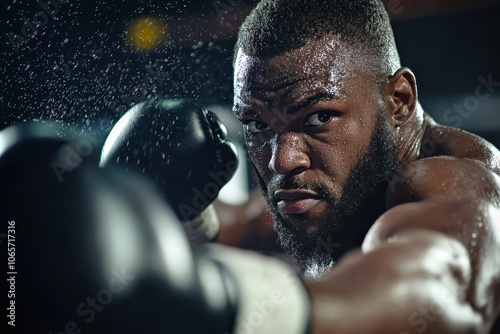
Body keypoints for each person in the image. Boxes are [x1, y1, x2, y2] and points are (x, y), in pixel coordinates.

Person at [231, 0, 500, 332]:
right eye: (258, 126)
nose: (283, 161)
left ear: (398, 101)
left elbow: (438, 282)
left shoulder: (452, 183)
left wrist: (230, 304)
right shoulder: (329, 193)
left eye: (319, 117)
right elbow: (243, 222)